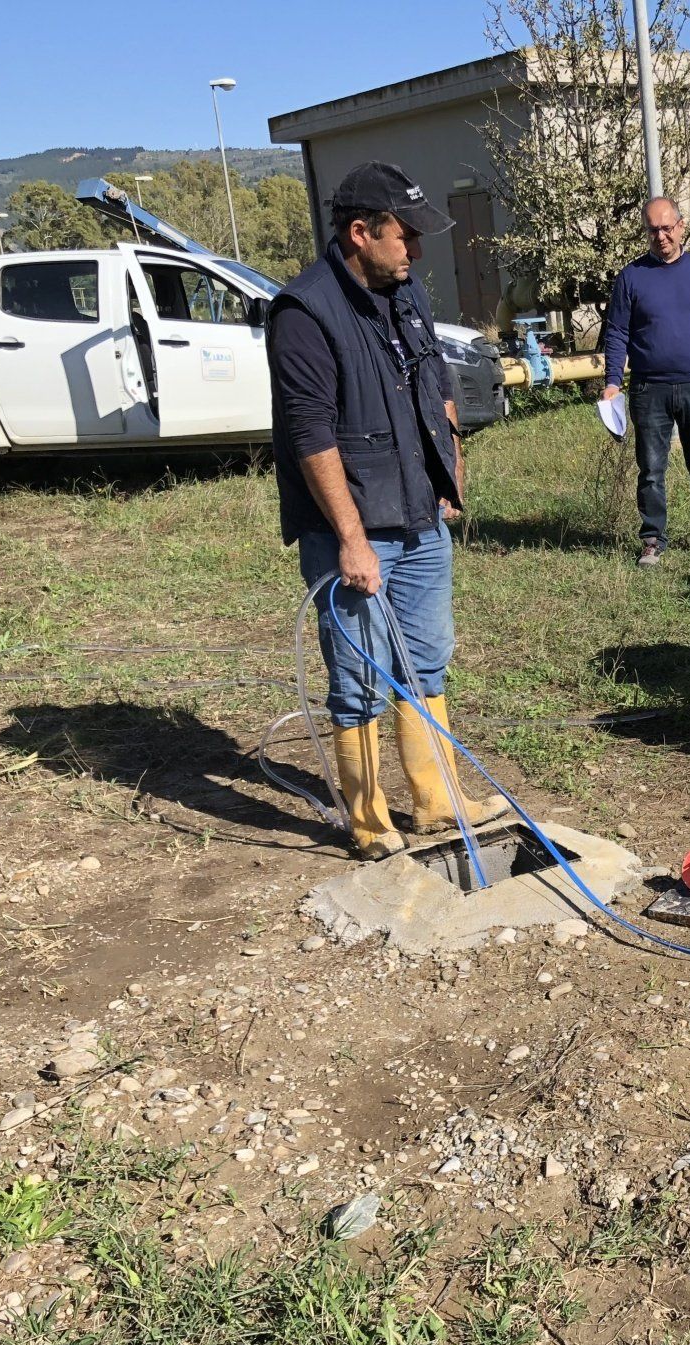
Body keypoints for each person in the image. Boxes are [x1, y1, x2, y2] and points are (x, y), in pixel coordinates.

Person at [268, 160, 509, 859]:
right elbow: (311, 438)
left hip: (420, 518)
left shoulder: (405, 291)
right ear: (359, 232)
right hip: (354, 532)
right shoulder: (304, 313)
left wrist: (449, 471)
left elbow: (436, 383)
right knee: (359, 678)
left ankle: (436, 802)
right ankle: (370, 822)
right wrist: (350, 539)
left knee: (427, 663)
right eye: (406, 235)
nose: (418, 250)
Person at [601, 197, 690, 567]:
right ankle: (652, 540)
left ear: (681, 227)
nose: (660, 236)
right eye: (653, 230)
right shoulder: (631, 277)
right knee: (651, 470)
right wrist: (613, 381)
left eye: (666, 228)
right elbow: (617, 333)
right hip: (649, 389)